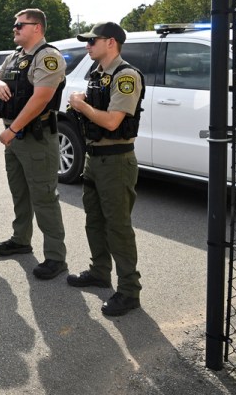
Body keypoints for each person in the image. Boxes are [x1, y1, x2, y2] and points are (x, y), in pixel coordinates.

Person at [66, 22, 144, 316]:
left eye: (92, 41)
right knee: (94, 219)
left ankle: (128, 290)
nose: (87, 45)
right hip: (95, 157)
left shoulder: (126, 76)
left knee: (118, 226)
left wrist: (82, 106)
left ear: (111, 42)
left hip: (116, 159)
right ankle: (100, 271)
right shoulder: (98, 75)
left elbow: (112, 122)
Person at [0, 8, 68, 280]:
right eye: (15, 24)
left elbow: (41, 98)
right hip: (16, 138)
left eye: (20, 25)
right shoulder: (14, 57)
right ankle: (21, 239)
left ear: (37, 28)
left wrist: (12, 129)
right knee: (19, 192)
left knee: (44, 197)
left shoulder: (48, 57)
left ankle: (56, 257)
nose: (15, 28)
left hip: (35, 138)